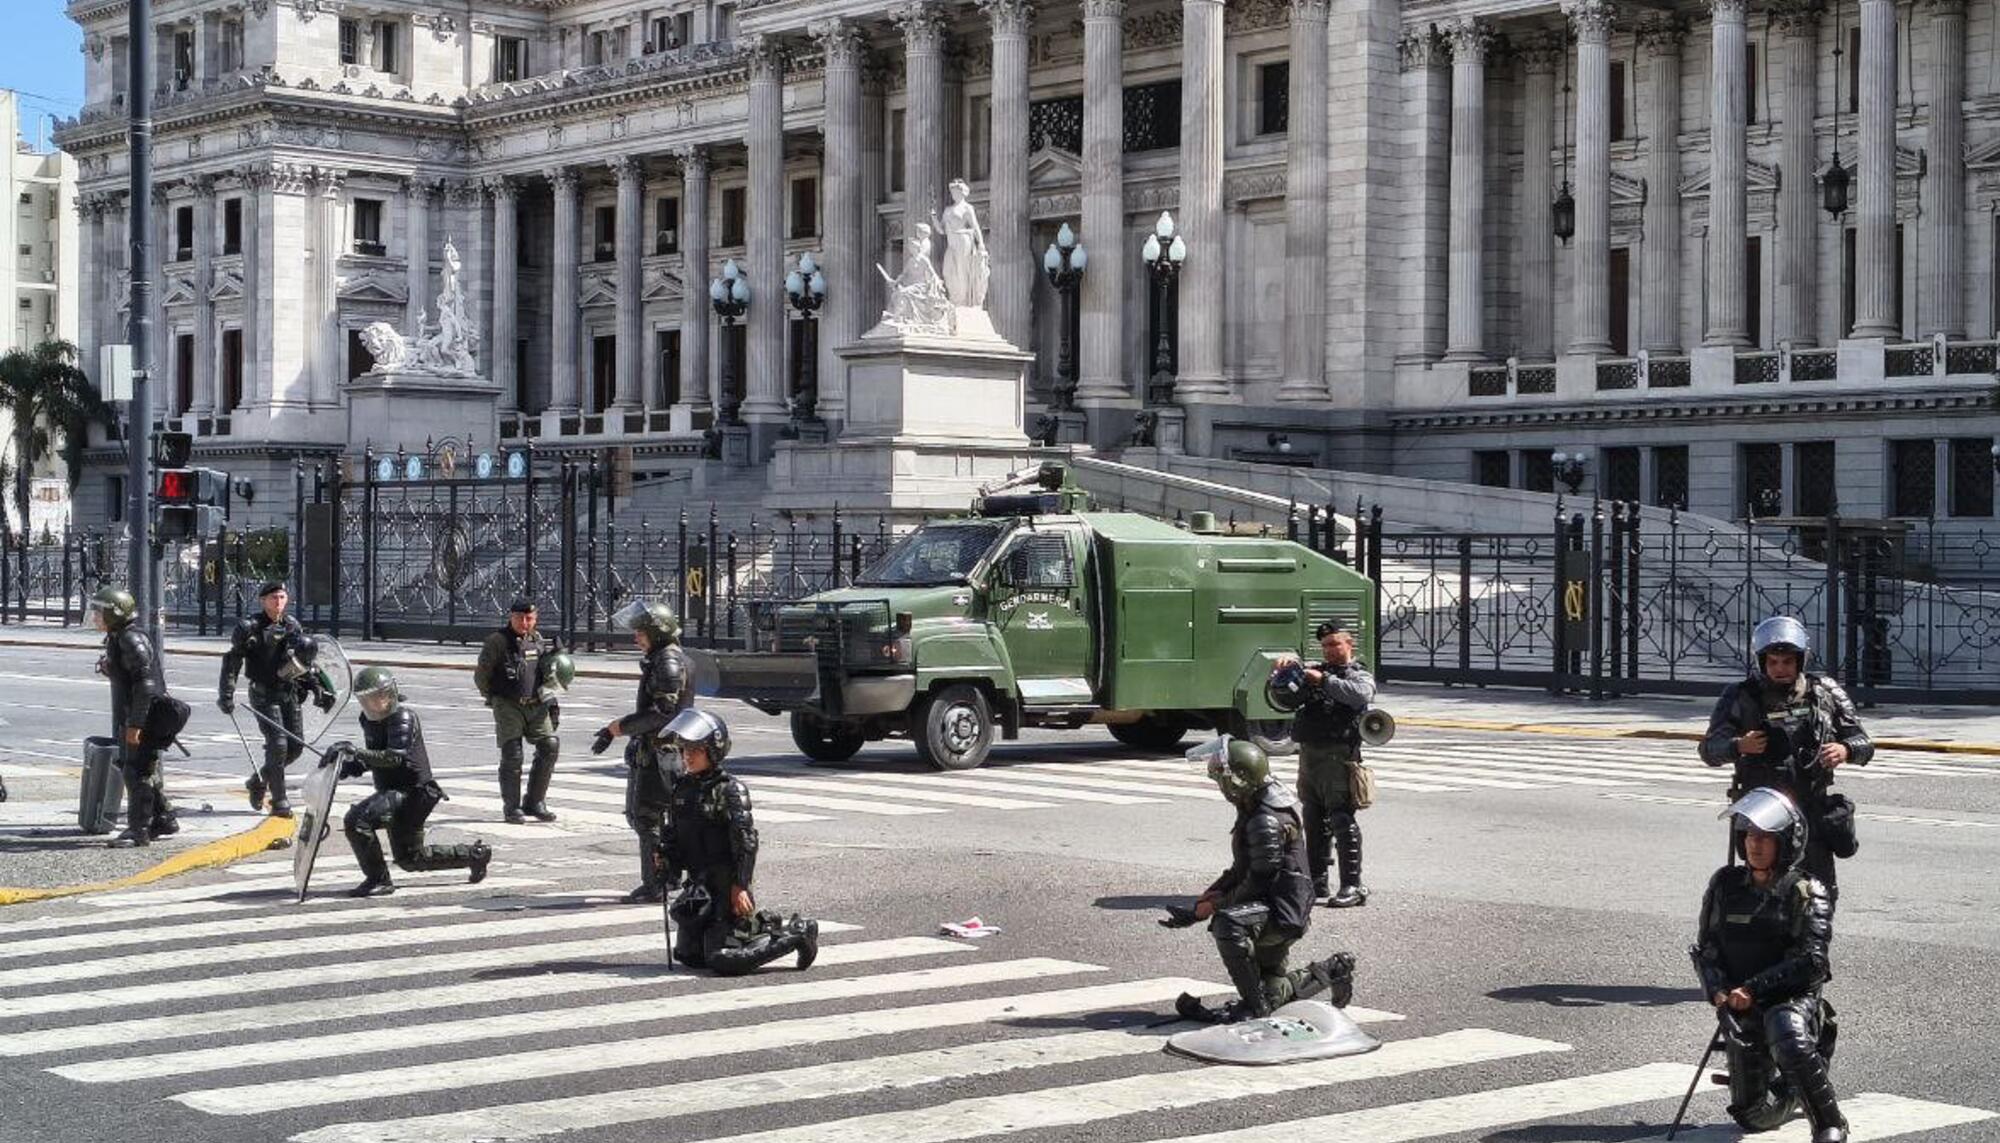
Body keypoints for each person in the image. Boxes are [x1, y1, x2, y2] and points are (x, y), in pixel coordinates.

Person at [1160, 736, 1356, 1023]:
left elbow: (1258, 879)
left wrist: (1215, 907)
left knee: (1228, 923)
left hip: (1280, 911)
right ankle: (1334, 969)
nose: (1220, 784)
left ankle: (1256, 1009)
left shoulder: (1265, 819)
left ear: (1240, 779)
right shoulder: (1257, 805)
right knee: (1273, 992)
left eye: (1222, 778)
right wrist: (1201, 903)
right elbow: (1242, 869)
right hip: (1273, 905)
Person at [1695, 787, 1845, 1142]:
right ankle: (1799, 1085)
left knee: (1786, 1030)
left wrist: (1754, 989)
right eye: (1749, 835)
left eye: (1764, 837)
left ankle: (1829, 1123)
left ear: (1785, 842)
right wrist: (1716, 991)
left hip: (1789, 998)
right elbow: (1707, 949)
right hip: (1738, 1003)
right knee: (1751, 1115)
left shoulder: (1807, 890)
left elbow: (1812, 962)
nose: (1754, 844)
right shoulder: (1724, 884)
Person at [1700, 616, 1871, 898]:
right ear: (1762, 661)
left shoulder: (1824, 691)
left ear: (1800, 661)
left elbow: (1863, 742)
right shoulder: (1740, 695)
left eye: (1788, 662)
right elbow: (1709, 749)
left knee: (1818, 894)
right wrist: (1738, 745)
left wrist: (1845, 750)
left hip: (1811, 809)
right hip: (1763, 813)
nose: (1780, 669)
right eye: (1773, 662)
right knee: (1764, 897)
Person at [654, 708, 819, 974]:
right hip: (699, 885)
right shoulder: (683, 788)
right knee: (689, 955)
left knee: (721, 959)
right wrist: (665, 858)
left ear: (713, 750)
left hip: (724, 884)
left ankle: (798, 933)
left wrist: (740, 885)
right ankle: (757, 930)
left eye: (696, 750)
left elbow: (746, 841)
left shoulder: (730, 790)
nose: (688, 756)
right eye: (685, 750)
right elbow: (675, 834)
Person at [332, 666, 492, 897]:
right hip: (392, 790)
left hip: (413, 792)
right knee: (411, 859)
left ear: (391, 693)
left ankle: (379, 880)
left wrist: (356, 753)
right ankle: (475, 855)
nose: (375, 703)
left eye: (379, 696)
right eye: (367, 699)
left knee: (357, 821)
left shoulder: (403, 717)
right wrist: (346, 767)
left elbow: (394, 757)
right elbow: (376, 756)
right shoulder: (368, 721)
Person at [592, 600, 695, 902]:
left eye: (641, 633)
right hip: (663, 750)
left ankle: (657, 883)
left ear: (657, 633)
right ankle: (668, 878)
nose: (636, 638)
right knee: (662, 818)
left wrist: (618, 727)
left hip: (661, 752)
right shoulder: (667, 657)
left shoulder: (668, 661)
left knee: (646, 817)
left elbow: (662, 712)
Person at [1276, 622, 1377, 907]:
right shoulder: (1315, 671)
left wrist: (1321, 680)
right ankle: (1316, 882)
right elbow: (1285, 696)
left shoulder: (1359, 675)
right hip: (1310, 754)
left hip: (1340, 755)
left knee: (1341, 818)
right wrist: (1286, 667)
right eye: (1325, 646)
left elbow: (1359, 695)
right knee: (1312, 816)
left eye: (1335, 644)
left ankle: (1352, 885)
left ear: (1349, 645)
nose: (1330, 650)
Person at [218, 581, 336, 818]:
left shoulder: (292, 626)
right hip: (263, 693)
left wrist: (318, 689)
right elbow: (232, 662)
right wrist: (226, 693)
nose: (278, 602)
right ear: (262, 601)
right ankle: (280, 800)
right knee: (278, 745)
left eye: (282, 597)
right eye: (273, 598)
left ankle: (258, 781)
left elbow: (304, 663)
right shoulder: (249, 627)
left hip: (288, 691)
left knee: (295, 746)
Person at [89, 586, 179, 848]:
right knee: (141, 768)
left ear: (115, 613)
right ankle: (164, 817)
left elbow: (146, 685)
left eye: (100, 612)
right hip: (135, 714)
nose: (95, 617)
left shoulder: (130, 639)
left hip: (144, 717)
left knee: (135, 771)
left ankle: (138, 830)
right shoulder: (119, 636)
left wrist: (136, 724)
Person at [474, 598, 563, 825]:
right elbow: (481, 675)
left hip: (536, 704)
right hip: (508, 704)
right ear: (511, 617)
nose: (524, 622)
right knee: (513, 754)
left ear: (535, 619)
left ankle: (535, 802)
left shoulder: (537, 640)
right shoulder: (497, 641)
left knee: (549, 745)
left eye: (529, 618)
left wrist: (552, 703)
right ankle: (511, 807)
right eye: (519, 618)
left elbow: (546, 675)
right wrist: (493, 699)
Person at [934, 177, 990, 309]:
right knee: (948, 271)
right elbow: (941, 230)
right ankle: (955, 299)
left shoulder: (967, 208)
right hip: (951, 242)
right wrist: (934, 218)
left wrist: (981, 243)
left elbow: (975, 227)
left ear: (962, 193)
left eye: (955, 192)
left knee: (961, 271)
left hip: (963, 241)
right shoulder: (948, 210)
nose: (953, 195)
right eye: (952, 192)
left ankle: (961, 302)